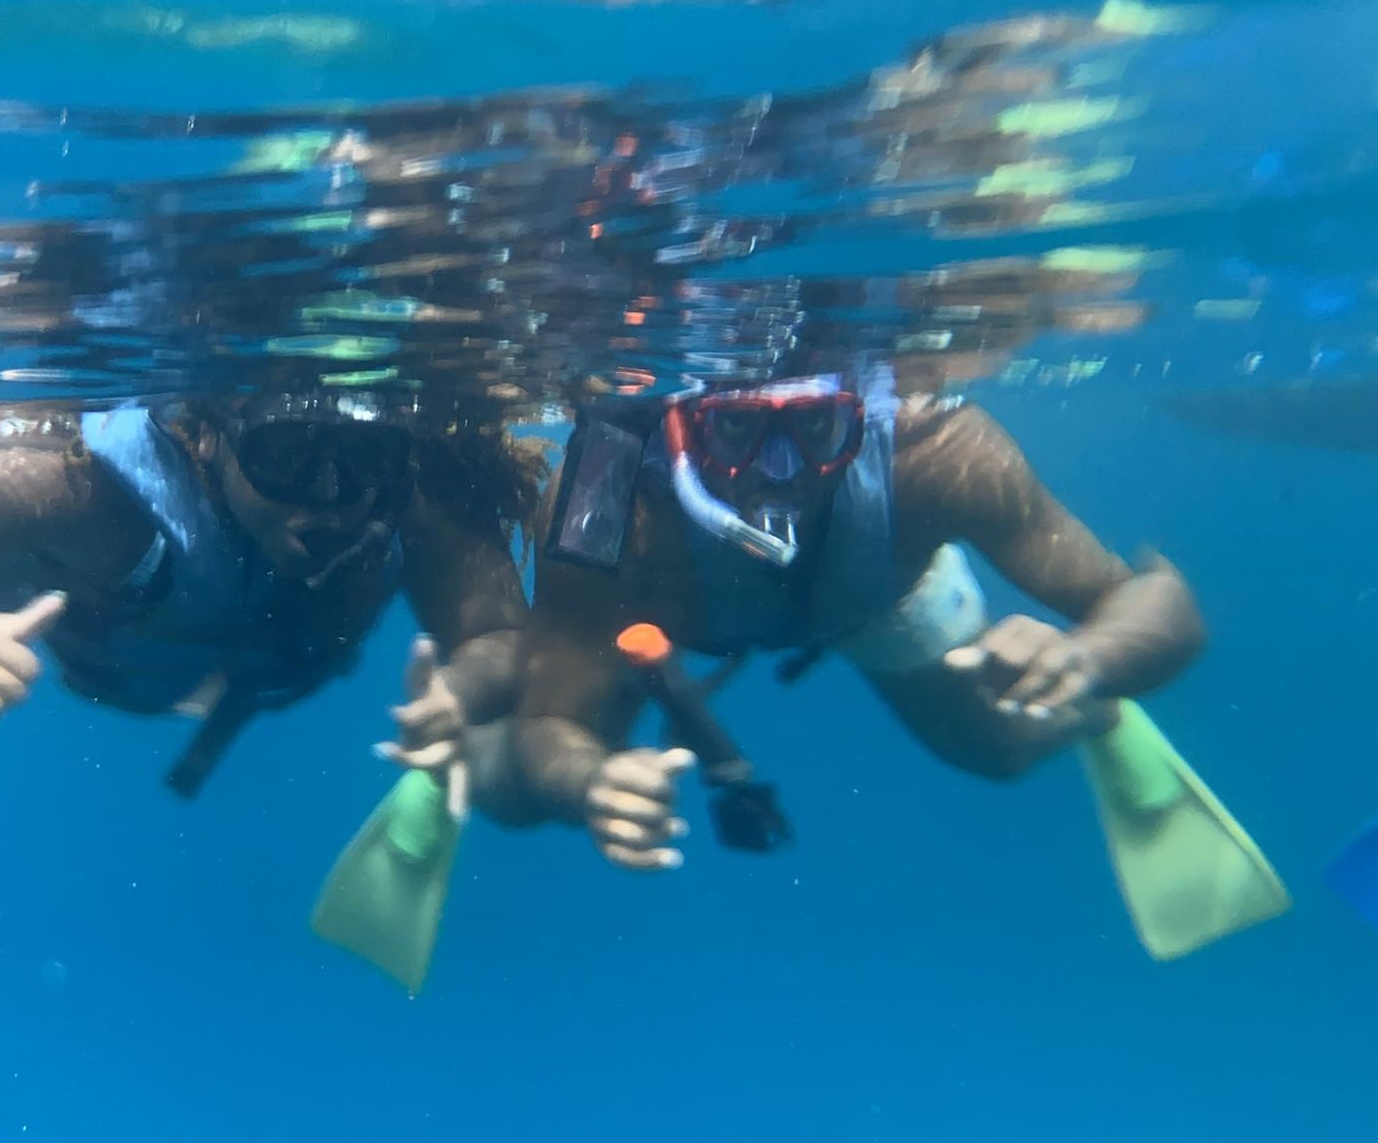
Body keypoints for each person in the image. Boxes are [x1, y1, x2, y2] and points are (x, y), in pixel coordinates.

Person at [476, 363, 1288, 962]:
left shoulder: (934, 452)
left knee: (997, 749)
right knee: (527, 788)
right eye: (737, 431)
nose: (780, 475)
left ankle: (1093, 712)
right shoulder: (607, 500)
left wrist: (1089, 659)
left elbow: (1161, 606)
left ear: (860, 418)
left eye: (817, 431)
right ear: (682, 426)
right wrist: (588, 783)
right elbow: (551, 725)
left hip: (868, 596)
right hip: (657, 619)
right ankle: (455, 730)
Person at [0, 391, 536, 800]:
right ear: (205, 437)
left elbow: (498, 635)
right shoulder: (84, 494)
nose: (330, 499)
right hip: (109, 657)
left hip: (249, 669)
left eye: (364, 458)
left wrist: (462, 696)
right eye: (285, 454)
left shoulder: (413, 499)